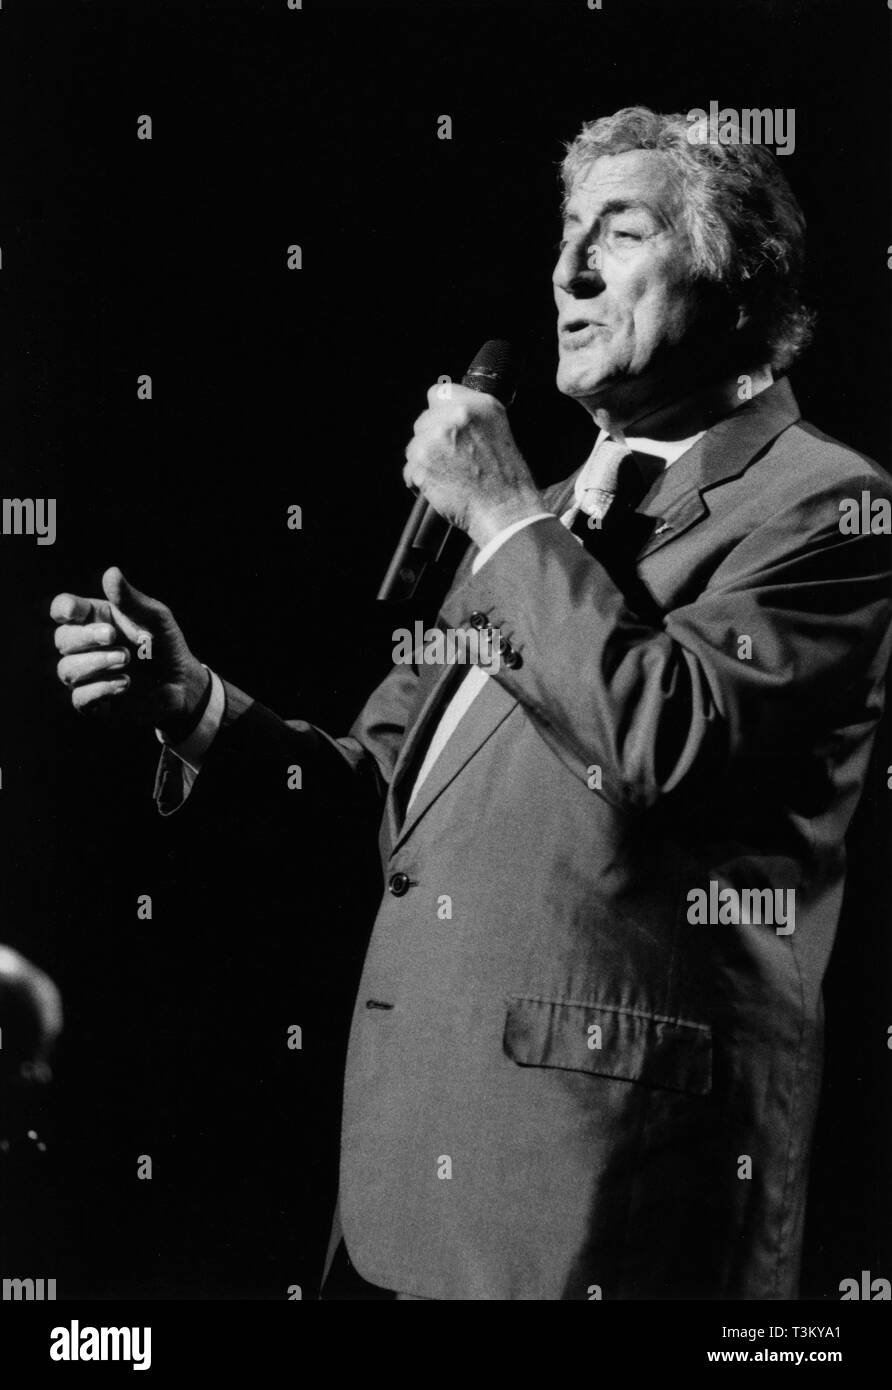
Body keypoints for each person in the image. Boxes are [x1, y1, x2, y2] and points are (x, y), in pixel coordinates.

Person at [51, 106, 892, 1300]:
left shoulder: (823, 508)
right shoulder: (536, 519)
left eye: (620, 230)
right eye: (563, 232)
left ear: (738, 276)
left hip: (604, 1209)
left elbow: (668, 740)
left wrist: (502, 519)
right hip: (396, 1203)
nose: (567, 269)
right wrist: (195, 708)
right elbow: (378, 802)